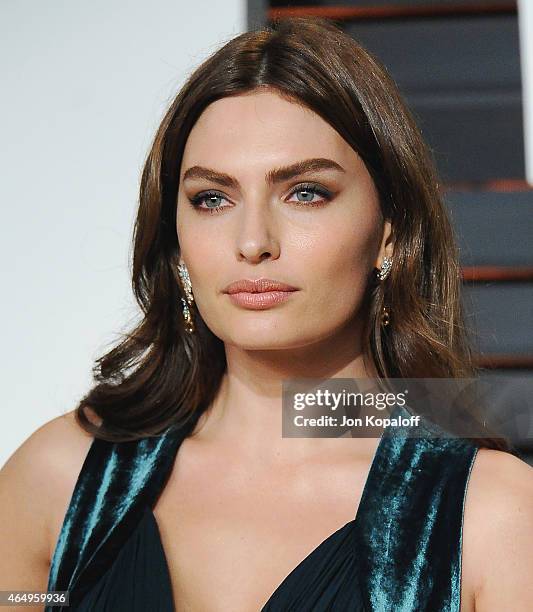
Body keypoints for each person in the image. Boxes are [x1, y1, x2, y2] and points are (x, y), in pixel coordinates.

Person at [1, 16, 532, 612]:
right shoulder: (60, 480)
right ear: (175, 239)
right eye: (212, 199)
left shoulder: (492, 518)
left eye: (305, 192)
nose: (252, 241)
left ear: (390, 232)